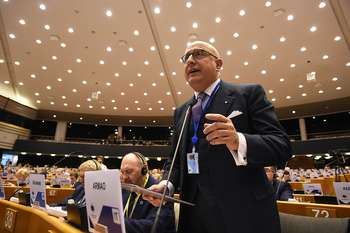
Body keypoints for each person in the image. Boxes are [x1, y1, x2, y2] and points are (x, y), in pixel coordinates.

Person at [144, 41, 292, 233]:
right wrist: (167, 184)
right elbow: (175, 160)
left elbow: (281, 146)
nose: (189, 60)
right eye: (185, 57)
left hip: (243, 215)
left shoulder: (248, 95)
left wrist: (238, 140)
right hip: (194, 216)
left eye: (198, 53)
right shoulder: (182, 111)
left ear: (219, 64)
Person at [120, 152, 175, 233]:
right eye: (122, 172)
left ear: (144, 170)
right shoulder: (125, 189)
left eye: (129, 172)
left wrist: (118, 223)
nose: (124, 178)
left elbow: (152, 227)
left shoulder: (160, 191)